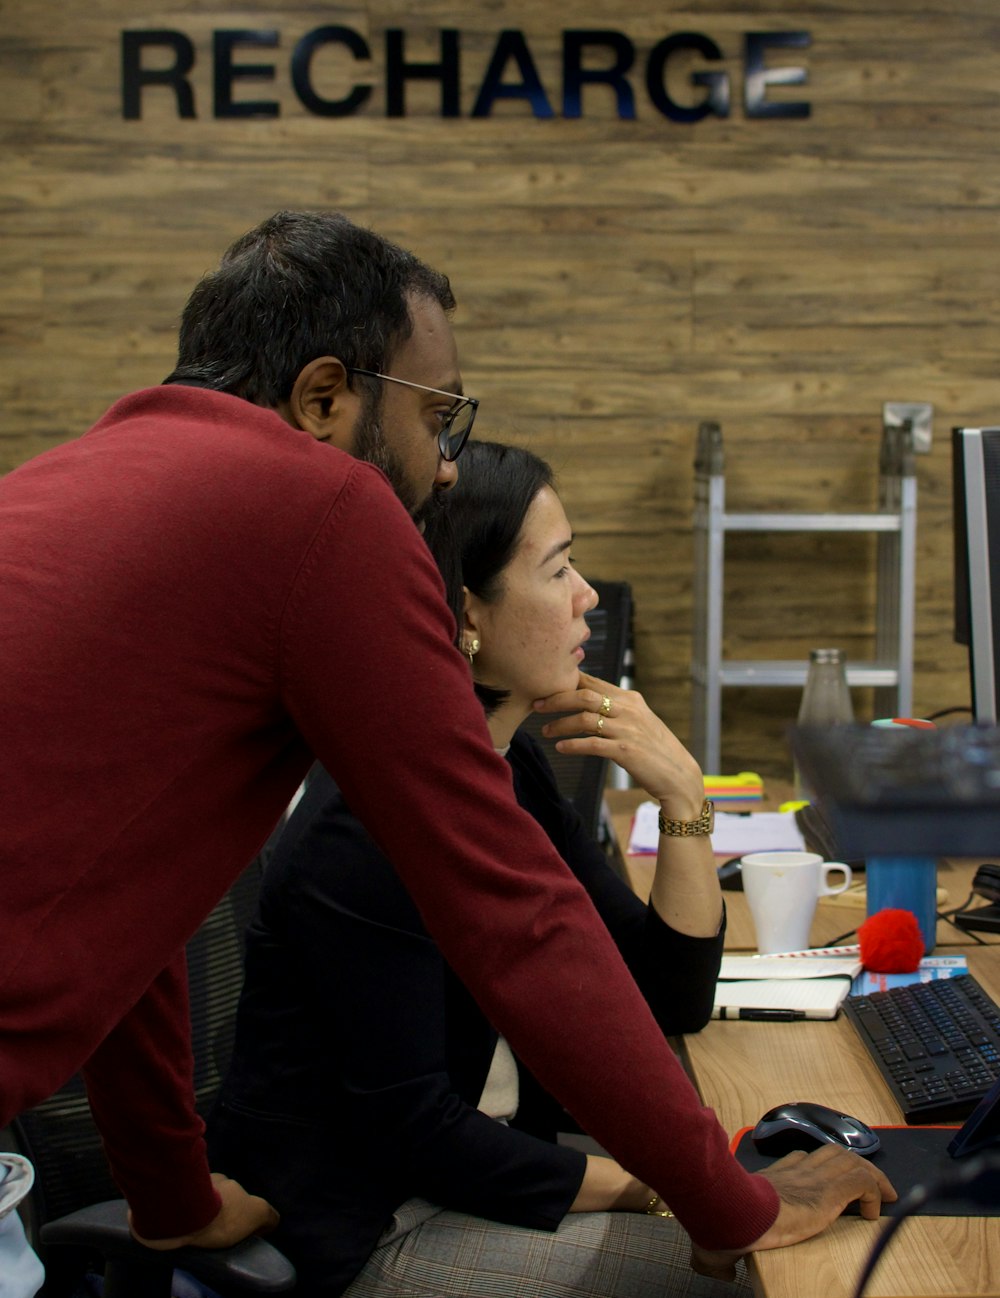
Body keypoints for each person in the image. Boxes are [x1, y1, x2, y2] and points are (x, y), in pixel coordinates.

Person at [0, 211, 892, 1291]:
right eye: (441, 416)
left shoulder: (74, 482)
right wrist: (730, 1199)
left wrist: (170, 1195)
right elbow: (511, 910)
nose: (448, 469)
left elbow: (119, 907)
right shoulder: (320, 502)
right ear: (325, 398)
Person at [207, 439, 752, 1297]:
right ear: (464, 614)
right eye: (559, 569)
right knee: (751, 1273)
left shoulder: (511, 770)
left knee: (760, 1219)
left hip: (485, 1179)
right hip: (371, 1228)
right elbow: (413, 1128)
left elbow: (666, 1000)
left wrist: (684, 797)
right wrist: (663, 1190)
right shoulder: (365, 824)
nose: (588, 599)